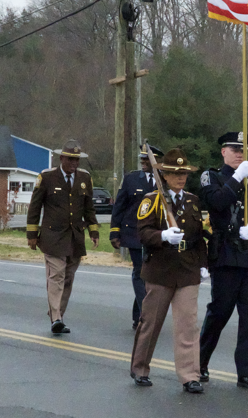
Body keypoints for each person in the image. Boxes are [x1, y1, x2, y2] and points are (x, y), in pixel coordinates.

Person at [198, 132, 248, 390]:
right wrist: (236, 177)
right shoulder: (213, 176)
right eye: (233, 148)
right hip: (226, 255)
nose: (239, 152)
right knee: (220, 312)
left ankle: (246, 371)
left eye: (242, 149)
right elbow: (217, 202)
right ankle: (200, 361)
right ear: (223, 151)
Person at [130, 148, 208, 393]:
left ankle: (189, 376)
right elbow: (142, 233)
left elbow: (199, 238)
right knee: (150, 323)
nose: (180, 177)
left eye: (183, 173)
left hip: (187, 270)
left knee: (188, 325)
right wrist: (162, 235)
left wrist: (204, 264)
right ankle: (140, 368)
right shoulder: (151, 201)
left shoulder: (192, 201)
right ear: (164, 175)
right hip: (160, 270)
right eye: (175, 173)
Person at [26, 139, 99, 335]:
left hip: (75, 236)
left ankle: (59, 317)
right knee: (56, 275)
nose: (74, 163)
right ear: (61, 158)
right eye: (70, 159)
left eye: (77, 160)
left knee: (68, 278)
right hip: (52, 236)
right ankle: (56, 317)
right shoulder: (47, 177)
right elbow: (35, 206)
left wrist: (93, 230)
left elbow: (88, 207)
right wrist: (32, 234)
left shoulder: (84, 178)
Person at [109, 144, 164, 330]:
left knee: (150, 275)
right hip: (133, 233)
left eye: (147, 159)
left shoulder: (164, 180)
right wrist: (114, 232)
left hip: (156, 236)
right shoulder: (131, 179)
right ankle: (146, 315)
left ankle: (137, 316)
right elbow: (119, 207)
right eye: (142, 159)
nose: (143, 162)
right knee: (140, 272)